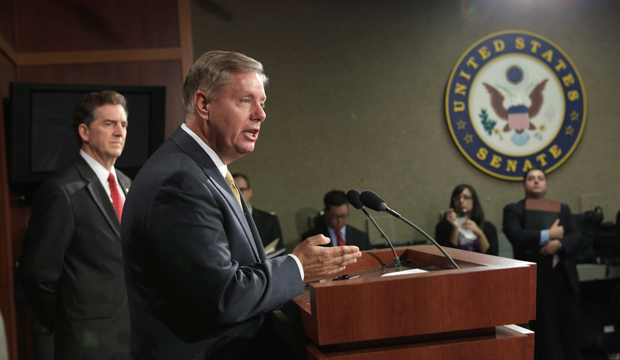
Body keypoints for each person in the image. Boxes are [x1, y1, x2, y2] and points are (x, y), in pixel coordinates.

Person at [120, 51, 361, 360]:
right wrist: (297, 266)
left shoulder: (202, 169)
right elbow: (223, 297)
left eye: (262, 103)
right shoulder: (180, 180)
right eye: (246, 101)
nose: (260, 114)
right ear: (204, 105)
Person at [18, 91, 131, 359]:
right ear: (84, 131)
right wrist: (67, 321)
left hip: (132, 340)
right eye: (109, 123)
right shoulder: (60, 189)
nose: (119, 132)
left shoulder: (128, 184)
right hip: (86, 344)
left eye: (123, 125)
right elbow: (37, 274)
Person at [503, 167, 582, 360]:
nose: (536, 181)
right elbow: (517, 235)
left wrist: (558, 244)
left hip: (564, 277)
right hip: (538, 282)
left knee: (570, 333)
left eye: (540, 178)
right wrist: (549, 235)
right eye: (531, 178)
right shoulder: (514, 209)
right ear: (524, 184)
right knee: (547, 336)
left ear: (546, 184)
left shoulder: (562, 209)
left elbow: (577, 236)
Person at [435, 184, 498, 255]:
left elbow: (492, 255)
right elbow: (447, 255)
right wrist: (455, 228)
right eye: (457, 198)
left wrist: (479, 232)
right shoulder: (443, 226)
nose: (461, 200)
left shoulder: (488, 227)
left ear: (473, 201)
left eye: (466, 197)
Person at [302, 190, 372, 251]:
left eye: (343, 215)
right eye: (335, 216)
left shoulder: (361, 237)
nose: (340, 220)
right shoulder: (311, 238)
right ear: (326, 213)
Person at [232, 173, 283, 249]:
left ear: (250, 192)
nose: (237, 194)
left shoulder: (269, 220)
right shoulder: (221, 220)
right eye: (233, 190)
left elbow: (279, 251)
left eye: (241, 190)